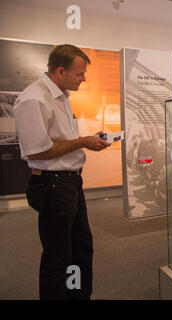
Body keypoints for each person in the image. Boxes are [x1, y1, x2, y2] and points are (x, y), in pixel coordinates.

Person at [13, 44, 110, 300]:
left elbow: (59, 140)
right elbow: (36, 152)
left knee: (81, 249)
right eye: (79, 74)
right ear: (60, 71)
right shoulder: (34, 99)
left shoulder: (61, 96)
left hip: (70, 183)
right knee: (59, 256)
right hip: (53, 186)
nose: (84, 79)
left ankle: (78, 296)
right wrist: (81, 142)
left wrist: (86, 140)